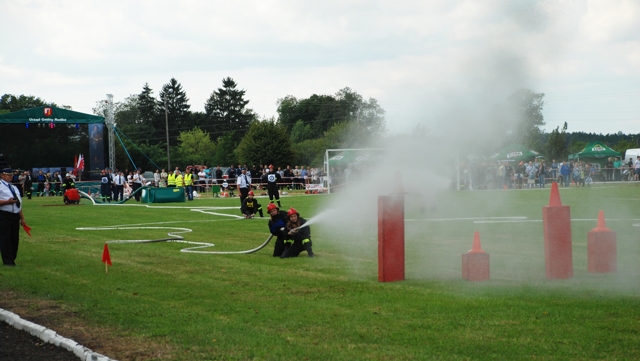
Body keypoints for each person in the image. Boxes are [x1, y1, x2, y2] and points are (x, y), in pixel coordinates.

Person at [0, 167, 28, 266]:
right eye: (8, 175)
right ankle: (8, 261)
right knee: (5, 238)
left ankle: (12, 258)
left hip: (15, 215)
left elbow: (18, 203)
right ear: (2, 175)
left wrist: (22, 218)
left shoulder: (14, 187)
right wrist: (7, 202)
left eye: (11, 175)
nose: (10, 177)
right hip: (4, 215)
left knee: (14, 239)